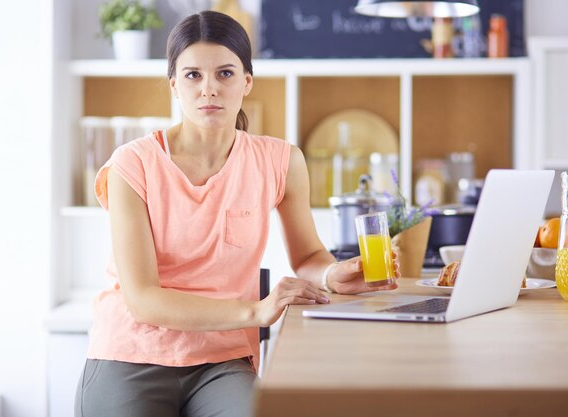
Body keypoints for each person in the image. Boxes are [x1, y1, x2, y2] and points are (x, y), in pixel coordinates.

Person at [74, 10, 398, 417]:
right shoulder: (131, 164)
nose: (209, 88)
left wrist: (333, 275)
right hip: (130, 354)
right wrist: (256, 310)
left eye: (225, 73)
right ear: (174, 85)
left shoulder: (280, 161)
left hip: (222, 361)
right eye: (193, 75)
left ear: (246, 82)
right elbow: (143, 301)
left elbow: (308, 258)